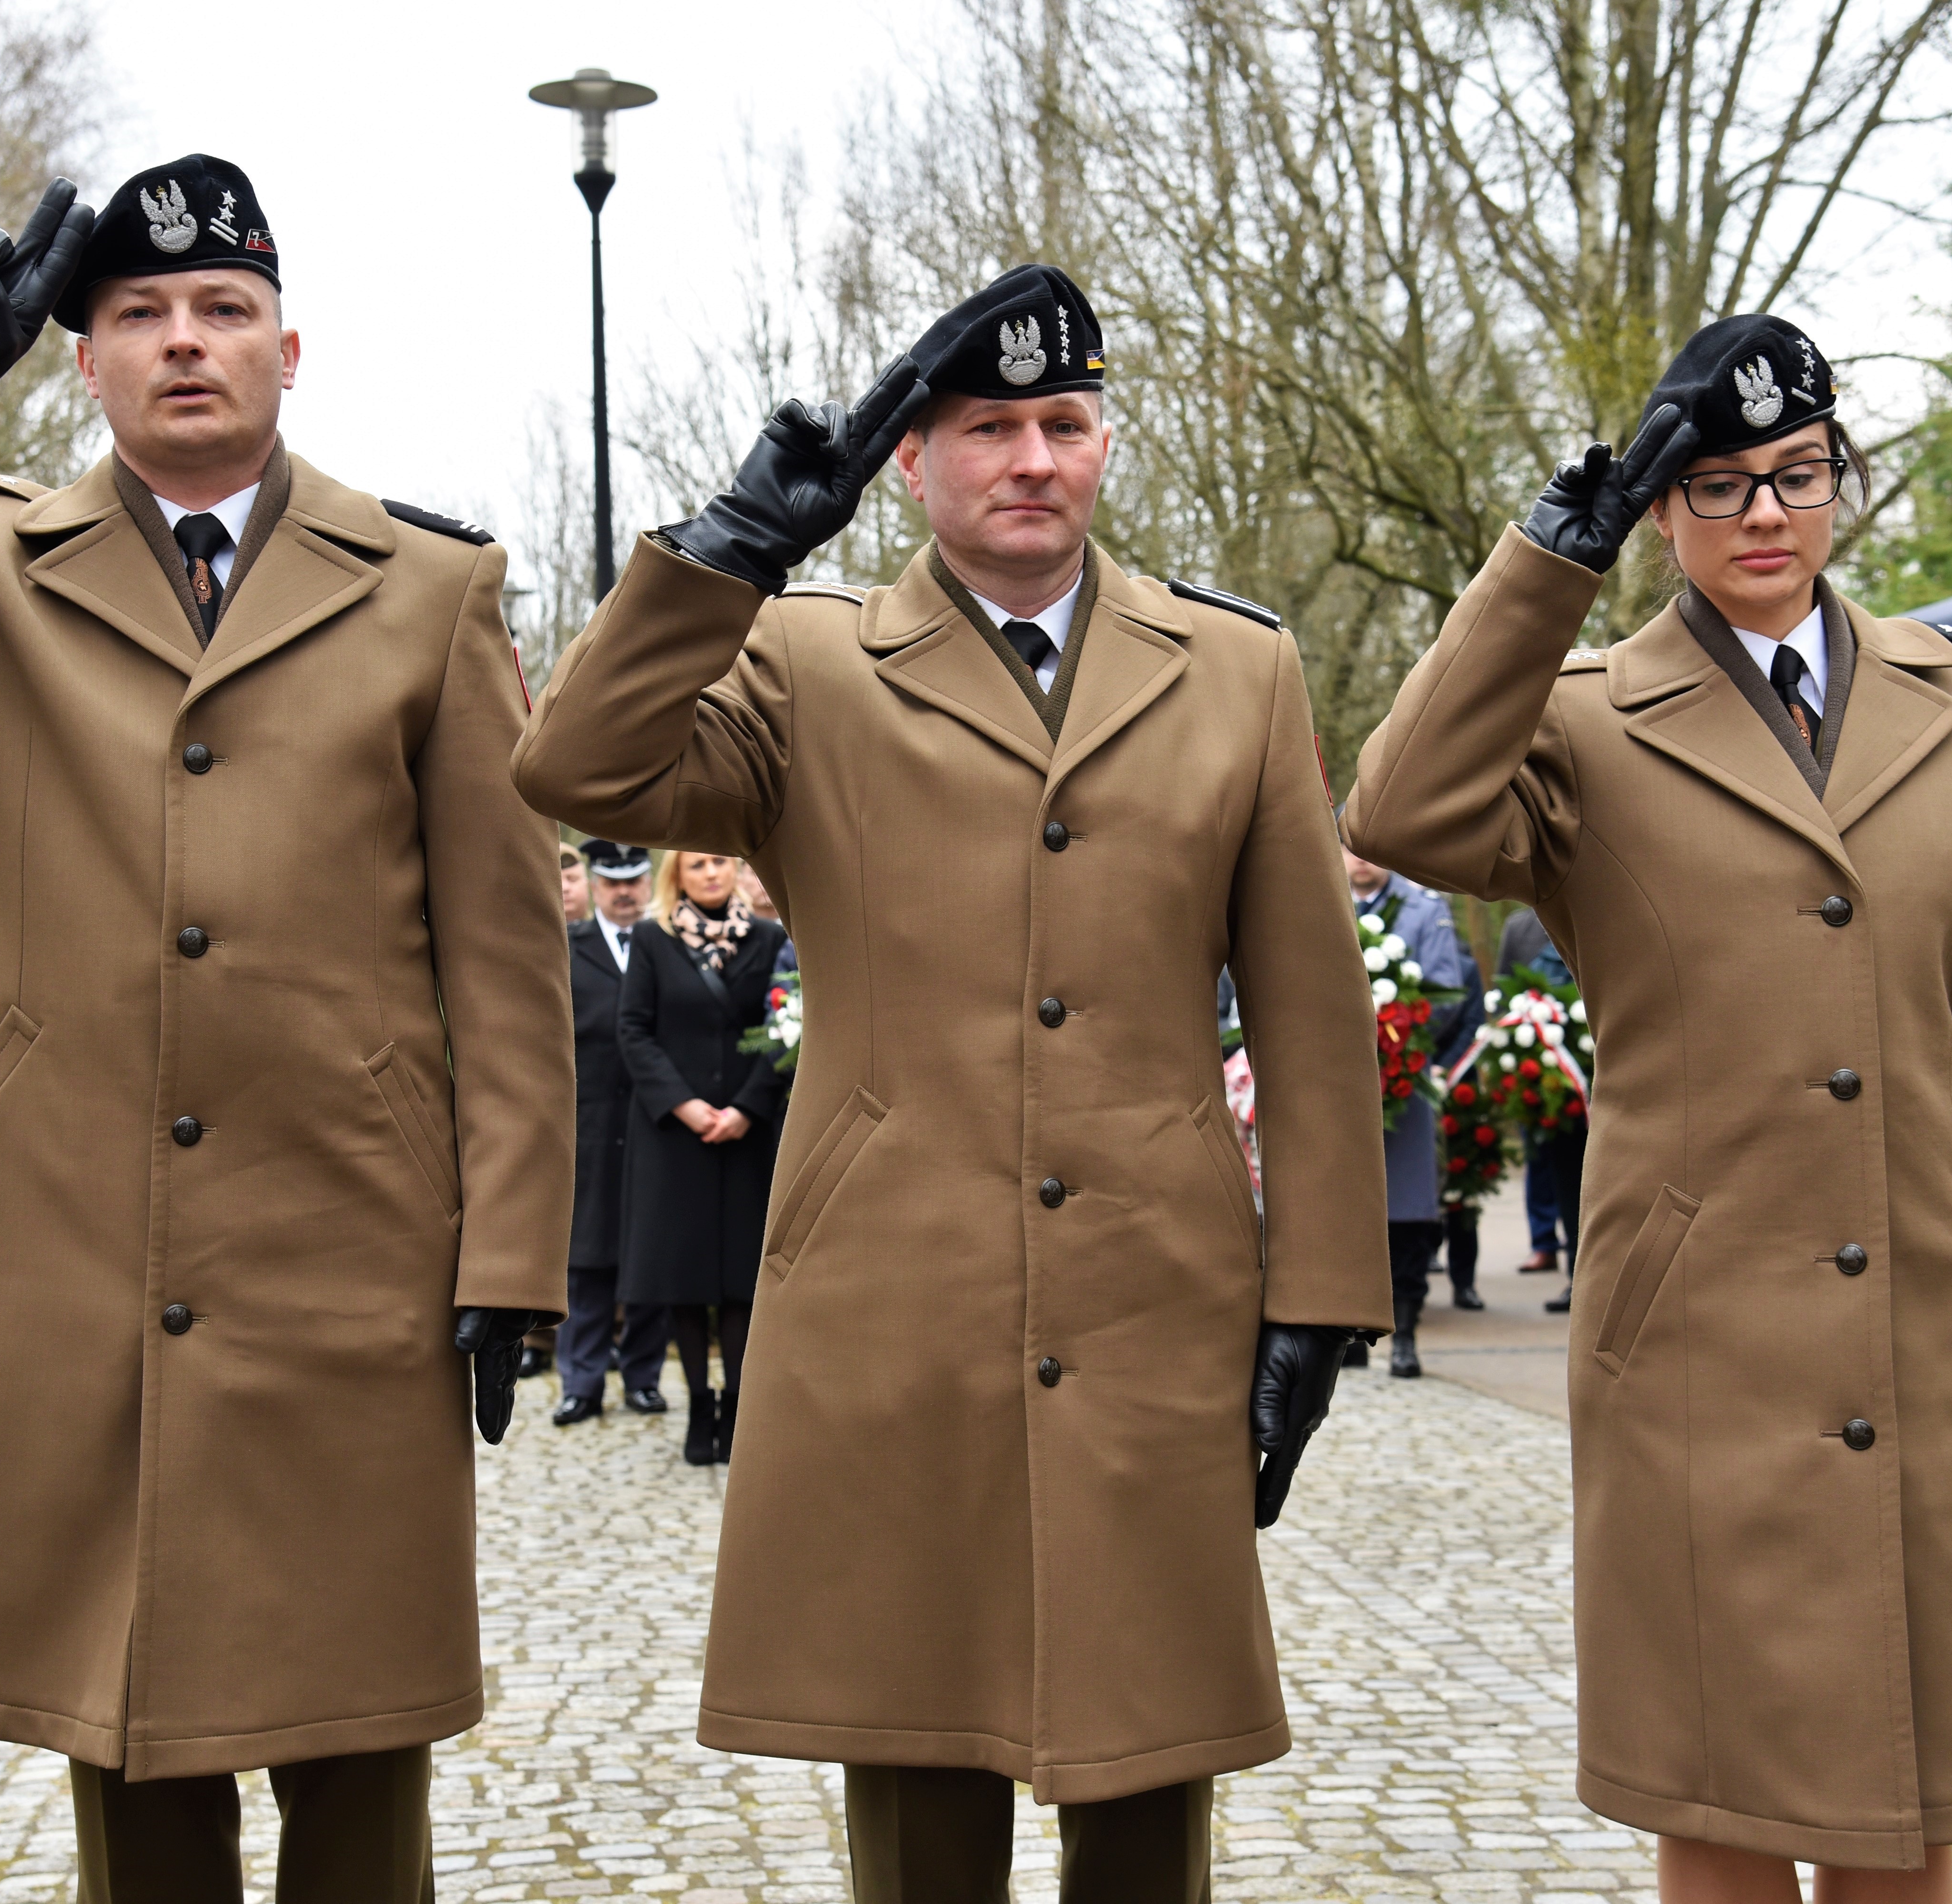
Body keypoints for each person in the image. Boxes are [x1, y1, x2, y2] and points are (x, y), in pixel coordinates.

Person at [0, 157, 575, 1901]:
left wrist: (511, 1251)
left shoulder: (426, 587)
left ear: (292, 348)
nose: (183, 340)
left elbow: (506, 958)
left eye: (222, 309)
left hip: (351, 1248)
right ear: (82, 363)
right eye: (138, 313)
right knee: (127, 1736)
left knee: (359, 1742)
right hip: (78, 1249)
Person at [516, 263, 1386, 1901]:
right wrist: (727, 553)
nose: (1031, 458)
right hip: (891, 1300)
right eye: (986, 426)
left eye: (1063, 422)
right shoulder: (800, 661)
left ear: (1107, 443)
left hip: (1157, 1298)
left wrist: (1320, 1300)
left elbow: (1309, 1014)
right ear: (908, 461)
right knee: (916, 1783)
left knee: (1150, 1772)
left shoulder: (1233, 671)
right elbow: (578, 762)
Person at [1345, 313, 1952, 1900]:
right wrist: (1541, 567)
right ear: (1659, 511)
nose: (1764, 512)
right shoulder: (1577, 716)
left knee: (1909, 1794)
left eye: (1797, 472)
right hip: (1691, 1333)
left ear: (1842, 480)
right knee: (1711, 1795)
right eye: (1716, 483)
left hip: (1922, 1313)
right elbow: (1401, 807)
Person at [616, 849, 789, 1464]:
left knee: (742, 1278)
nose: (711, 873)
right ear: (677, 877)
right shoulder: (652, 940)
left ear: (736, 871)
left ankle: (737, 1407)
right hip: (674, 1135)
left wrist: (747, 1106)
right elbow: (633, 1029)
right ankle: (697, 1405)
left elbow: (788, 1027)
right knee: (683, 1278)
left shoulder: (769, 940)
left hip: (747, 1131)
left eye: (720, 862)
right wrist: (684, 1105)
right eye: (697, 865)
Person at [1350, 848, 1481, 1375]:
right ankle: (1346, 1333)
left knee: (1405, 1208)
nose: (1359, 860)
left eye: (1368, 850)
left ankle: (1404, 1333)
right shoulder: (1318, 900)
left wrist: (1396, 1026)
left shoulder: (1425, 908)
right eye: (1347, 848)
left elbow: (1447, 990)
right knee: (1341, 1211)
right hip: (1334, 1082)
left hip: (1404, 1075)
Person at [557, 838, 670, 1426]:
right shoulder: (567, 949)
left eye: (633, 881)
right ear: (597, 886)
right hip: (590, 1126)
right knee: (586, 1258)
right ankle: (581, 1382)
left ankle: (643, 1378)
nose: (624, 892)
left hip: (658, 1126)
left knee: (650, 1253)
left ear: (648, 882)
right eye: (613, 882)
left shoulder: (669, 944)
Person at [1497, 907, 1571, 1275]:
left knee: (1578, 1162)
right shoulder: (1519, 926)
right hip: (1533, 1063)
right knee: (1538, 1155)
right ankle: (1544, 1243)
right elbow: (1504, 987)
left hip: (1580, 1059)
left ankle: (1580, 1249)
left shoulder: (1591, 912)